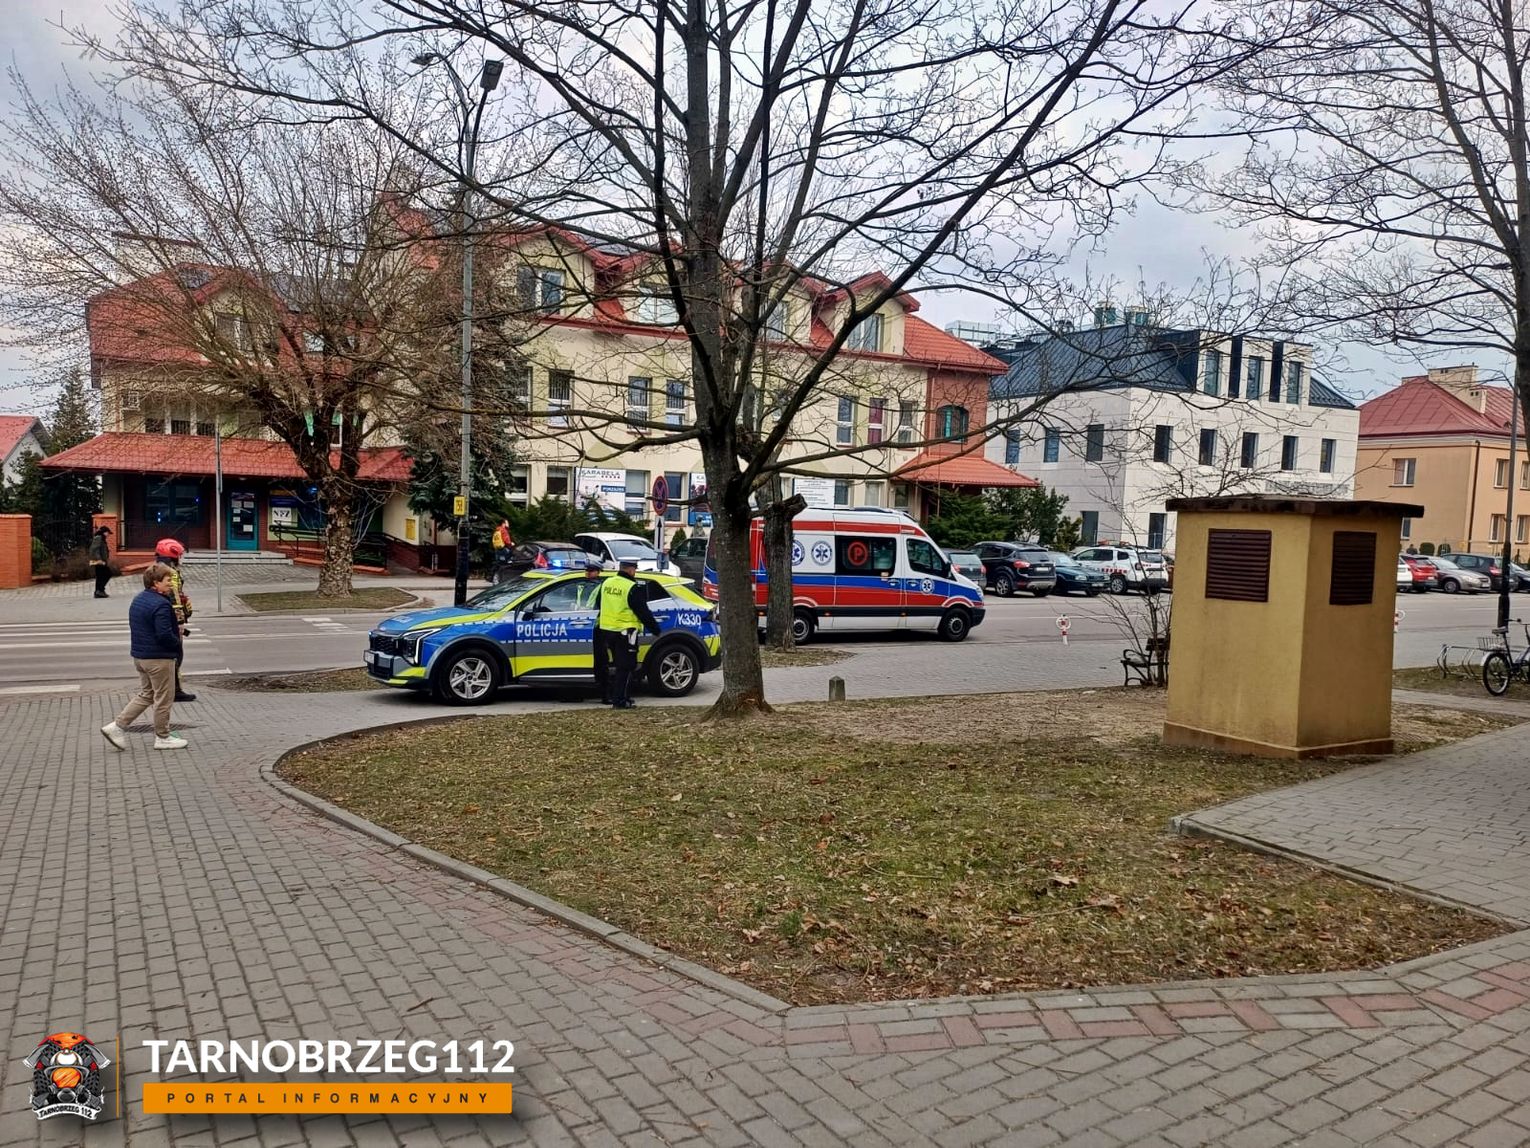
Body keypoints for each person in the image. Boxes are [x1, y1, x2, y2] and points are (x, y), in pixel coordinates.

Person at [100, 563, 188, 751]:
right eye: (167, 580)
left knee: (147, 694)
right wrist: (176, 643)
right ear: (156, 583)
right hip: (159, 658)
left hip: (141, 657)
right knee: (164, 698)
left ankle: (116, 727)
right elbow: (163, 635)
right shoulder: (161, 604)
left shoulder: (139, 599)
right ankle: (163, 737)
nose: (171, 584)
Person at [597, 557, 662, 709]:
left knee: (618, 666)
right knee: (626, 667)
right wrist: (655, 629)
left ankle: (619, 697)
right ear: (631, 570)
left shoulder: (607, 583)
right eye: (635, 569)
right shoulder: (632, 587)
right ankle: (620, 700)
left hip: (607, 630)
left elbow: (599, 603)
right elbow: (643, 612)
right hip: (625, 632)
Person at [154, 538, 197, 702]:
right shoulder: (170, 572)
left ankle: (172, 688)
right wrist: (180, 621)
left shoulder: (158, 569)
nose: (180, 558)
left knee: (172, 655)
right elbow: (174, 598)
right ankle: (175, 690)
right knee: (176, 654)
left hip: (165, 616)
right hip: (171, 618)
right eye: (179, 555)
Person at [576, 561, 612, 702]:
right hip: (581, 627)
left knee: (601, 662)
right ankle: (579, 692)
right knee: (585, 661)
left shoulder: (602, 587)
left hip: (597, 628)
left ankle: (605, 694)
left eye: (591, 571)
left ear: (598, 572)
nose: (588, 573)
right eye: (587, 570)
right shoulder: (581, 585)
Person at [88, 525, 112, 598]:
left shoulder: (102, 538)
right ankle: (100, 590)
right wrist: (99, 559)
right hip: (99, 561)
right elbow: (95, 549)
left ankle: (98, 591)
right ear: (104, 532)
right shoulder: (98, 538)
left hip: (101, 560)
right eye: (108, 533)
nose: (108, 535)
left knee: (100, 576)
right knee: (107, 574)